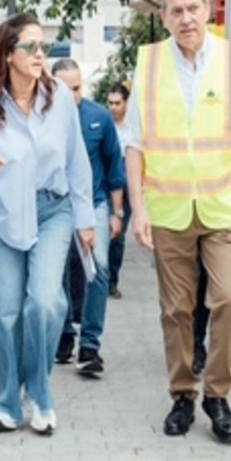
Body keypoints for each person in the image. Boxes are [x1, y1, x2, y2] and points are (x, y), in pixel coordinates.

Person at [124, 0, 231, 444]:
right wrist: (139, 210)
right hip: (168, 210)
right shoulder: (148, 63)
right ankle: (183, 394)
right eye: (176, 10)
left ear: (208, 9)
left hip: (225, 204)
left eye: (193, 7)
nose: (186, 18)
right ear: (163, 16)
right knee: (177, 310)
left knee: (230, 298)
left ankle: (218, 393)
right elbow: (137, 144)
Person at [0, 13, 95, 435]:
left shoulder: (60, 99)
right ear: (8, 55)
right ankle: (10, 401)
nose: (39, 55)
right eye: (30, 47)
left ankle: (41, 389)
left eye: (43, 47)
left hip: (53, 210)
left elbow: (77, 164)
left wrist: (86, 221)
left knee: (47, 303)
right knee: (8, 312)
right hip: (2, 216)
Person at [52, 59, 125, 377]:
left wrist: (117, 212)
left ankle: (90, 345)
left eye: (78, 88)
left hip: (93, 204)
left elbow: (114, 167)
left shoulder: (99, 117)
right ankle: (65, 335)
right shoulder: (40, 117)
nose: (73, 95)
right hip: (54, 207)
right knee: (58, 274)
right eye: (66, 89)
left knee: (99, 269)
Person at [104, 83, 132, 300]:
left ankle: (112, 281)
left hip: (129, 185)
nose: (113, 107)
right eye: (110, 103)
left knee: (118, 236)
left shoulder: (133, 127)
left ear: (126, 103)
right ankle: (99, 279)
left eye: (117, 103)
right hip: (108, 183)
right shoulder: (105, 125)